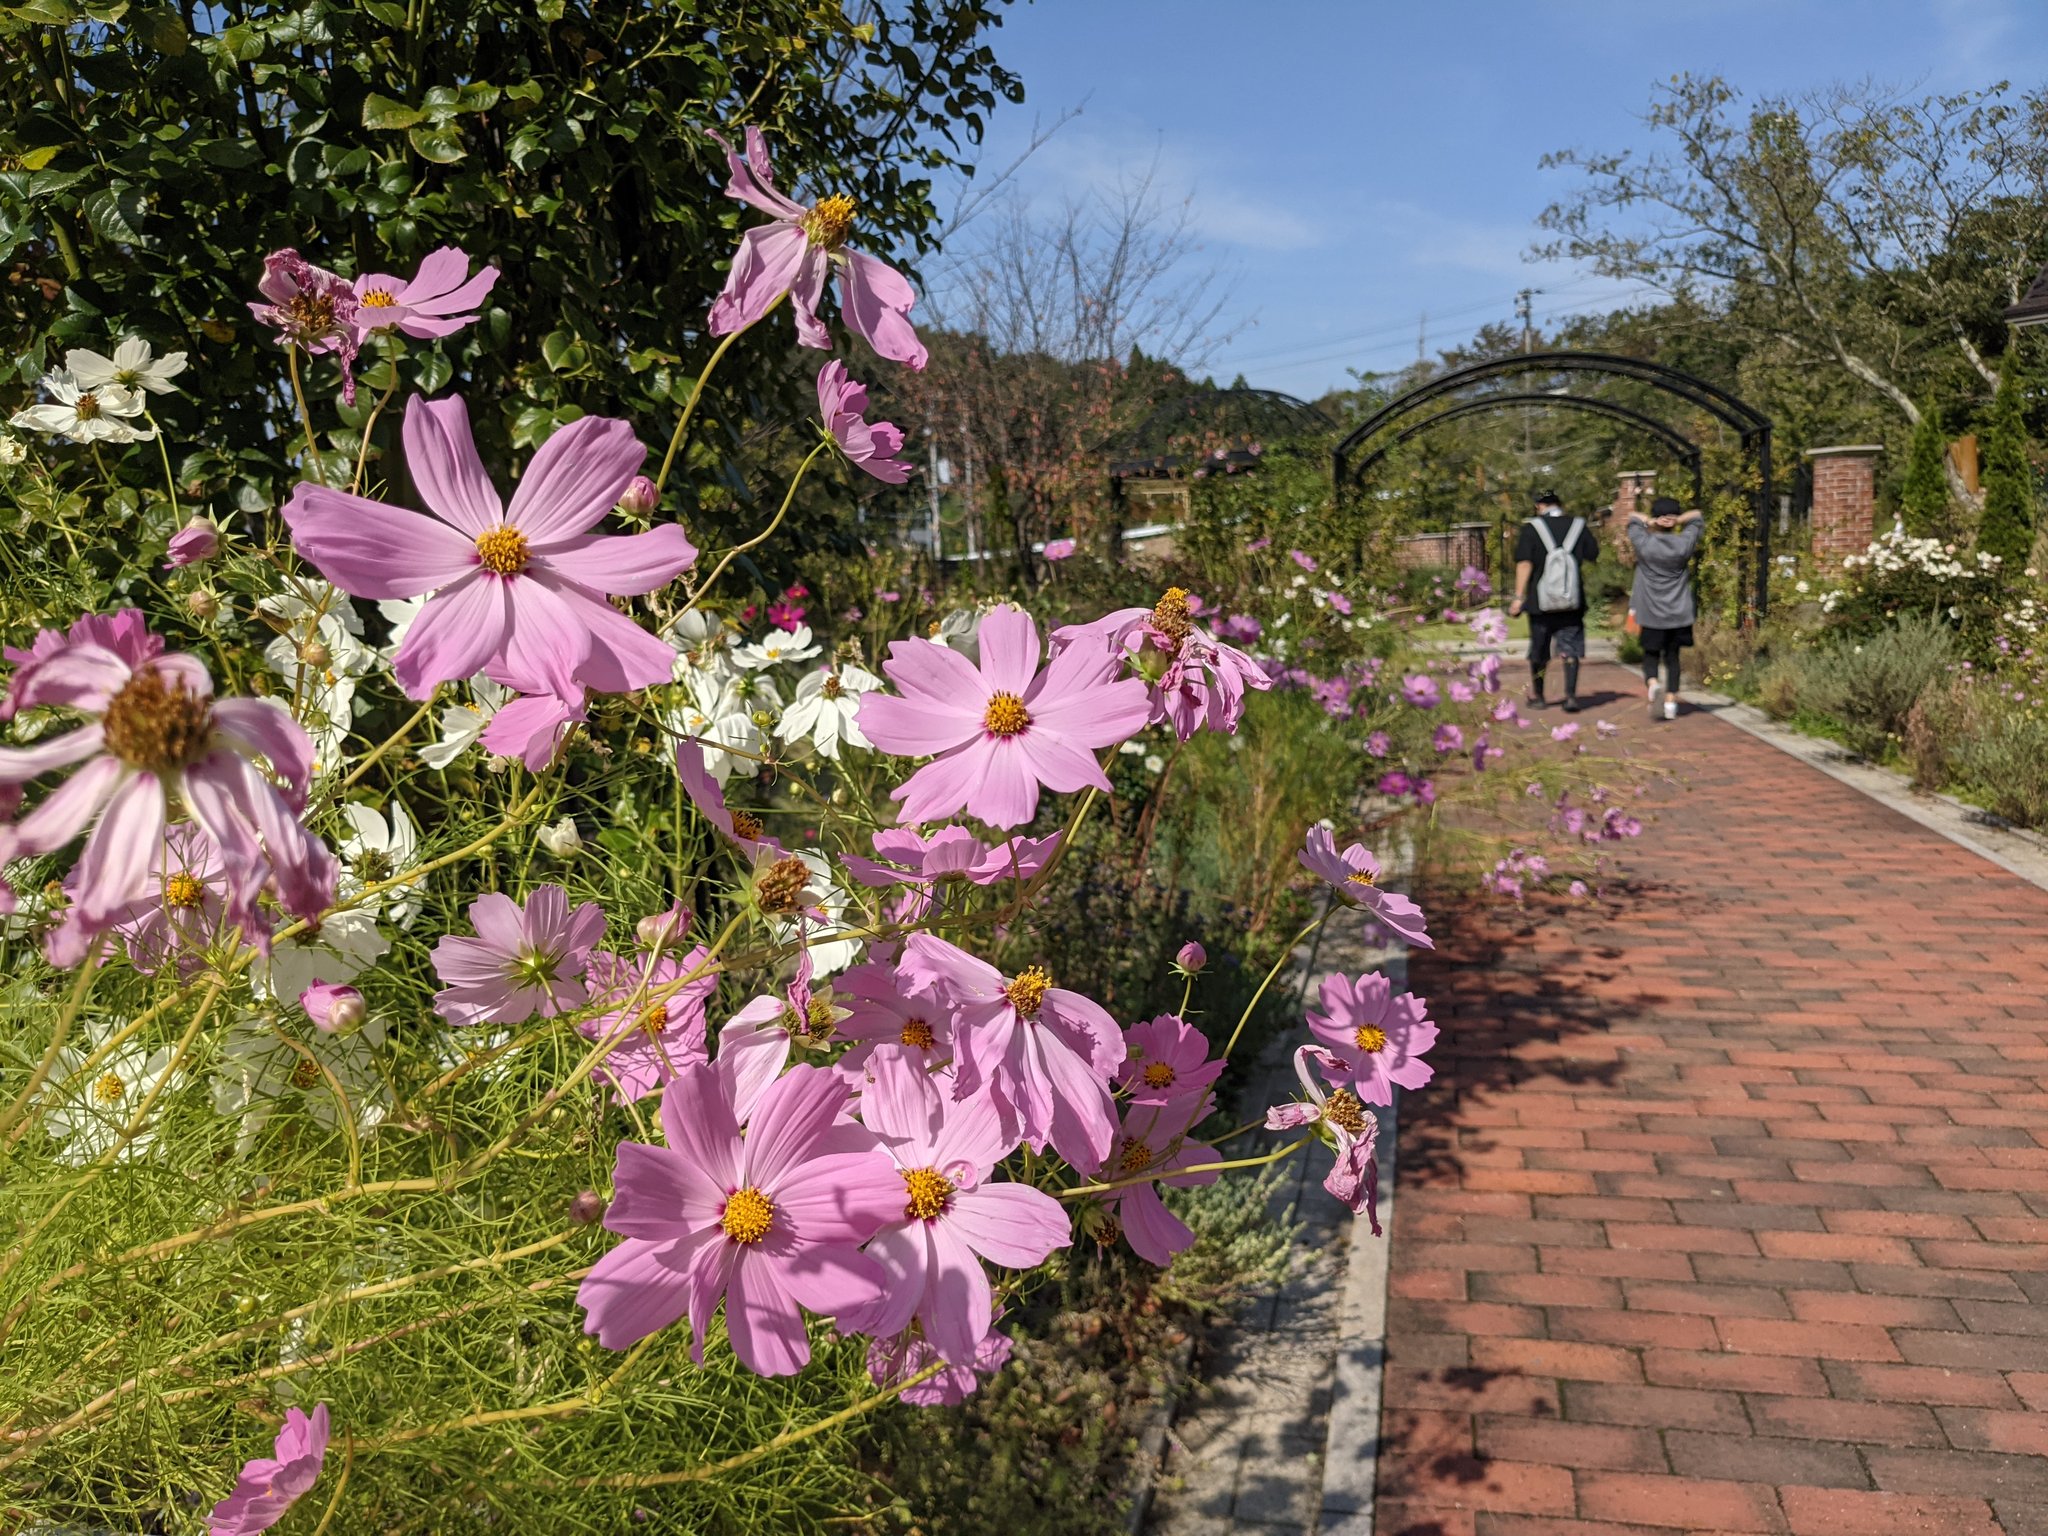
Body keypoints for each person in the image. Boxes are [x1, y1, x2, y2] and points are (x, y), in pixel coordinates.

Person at [1508, 489, 1598, 712]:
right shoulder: (1578, 526)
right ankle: (1570, 697)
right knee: (1571, 648)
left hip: (1541, 603)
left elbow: (1524, 563)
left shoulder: (1532, 528)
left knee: (1539, 649)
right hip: (1571, 601)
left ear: (1539, 506)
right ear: (1560, 504)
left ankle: (1539, 696)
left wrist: (1519, 598)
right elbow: (1592, 554)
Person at [1626, 495, 1704, 720]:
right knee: (1673, 658)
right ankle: (1671, 703)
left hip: (1651, 612)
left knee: (1650, 654)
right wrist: (1677, 521)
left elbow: (1632, 518)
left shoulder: (1644, 544)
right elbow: (1697, 516)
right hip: (1678, 612)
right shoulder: (1683, 544)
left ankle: (1652, 683)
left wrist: (1652, 521)